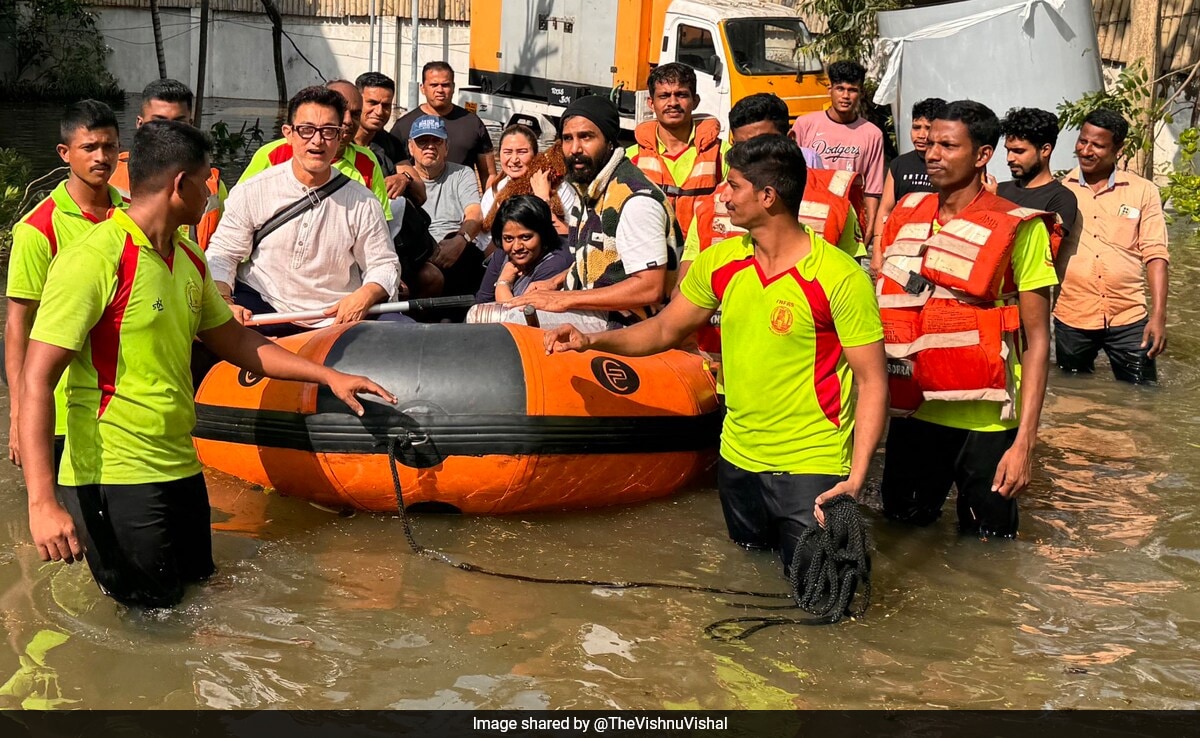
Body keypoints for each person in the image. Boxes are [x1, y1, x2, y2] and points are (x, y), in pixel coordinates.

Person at [18, 120, 396, 607]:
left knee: (197, 595)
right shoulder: (93, 260)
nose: (212, 196)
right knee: (152, 620)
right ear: (181, 184)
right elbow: (36, 378)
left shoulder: (190, 258)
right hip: (113, 472)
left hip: (178, 461)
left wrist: (328, 375)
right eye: (206, 182)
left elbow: (238, 342)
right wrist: (42, 503)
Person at [543, 134, 887, 572]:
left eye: (734, 186)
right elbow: (667, 328)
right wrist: (591, 341)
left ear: (768, 196)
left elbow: (874, 382)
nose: (721, 196)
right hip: (737, 460)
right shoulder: (722, 261)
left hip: (812, 466)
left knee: (821, 601)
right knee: (747, 579)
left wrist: (855, 480)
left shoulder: (838, 277)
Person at [876, 100, 1058, 539]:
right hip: (914, 415)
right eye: (931, 143)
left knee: (988, 549)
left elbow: (1036, 340)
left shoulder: (1020, 227)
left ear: (982, 156)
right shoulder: (906, 213)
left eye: (948, 145)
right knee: (898, 534)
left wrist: (1024, 444)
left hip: (987, 423)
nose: (933, 154)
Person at [206, 86, 400, 337]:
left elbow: (384, 265)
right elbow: (222, 255)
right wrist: (225, 301)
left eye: (328, 131)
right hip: (264, 307)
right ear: (288, 133)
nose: (317, 141)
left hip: (337, 316)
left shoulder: (363, 201)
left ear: (341, 135)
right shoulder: (253, 190)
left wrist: (364, 296)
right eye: (307, 130)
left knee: (403, 336)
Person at [6, 100, 123, 469]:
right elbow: (17, 325)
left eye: (109, 146)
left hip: (119, 403)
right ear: (65, 153)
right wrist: (18, 414)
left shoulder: (131, 217)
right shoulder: (37, 228)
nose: (101, 157)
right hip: (58, 406)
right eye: (89, 147)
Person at [507, 95, 679, 325]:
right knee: (484, 313)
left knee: (511, 318)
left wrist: (564, 299)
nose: (575, 148)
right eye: (567, 139)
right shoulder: (591, 187)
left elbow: (649, 287)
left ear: (609, 141)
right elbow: (598, 259)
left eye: (586, 137)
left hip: (630, 325)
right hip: (598, 310)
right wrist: (555, 283)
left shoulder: (635, 201)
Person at [682, 92, 864, 287]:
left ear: (790, 139)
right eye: (742, 147)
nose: (752, 156)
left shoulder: (832, 198)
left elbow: (851, 279)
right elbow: (684, 289)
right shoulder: (714, 201)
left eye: (764, 143)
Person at [1053, 108, 1169, 384]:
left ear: (1119, 148)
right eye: (1082, 141)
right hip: (1072, 314)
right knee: (1072, 393)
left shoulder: (1143, 191)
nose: (1086, 150)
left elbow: (1156, 255)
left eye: (1098, 145)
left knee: (1143, 396)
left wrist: (1158, 317)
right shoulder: (1060, 191)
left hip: (1129, 316)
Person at [237, 80, 390, 215]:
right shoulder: (272, 154)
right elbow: (239, 209)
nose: (348, 121)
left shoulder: (367, 162)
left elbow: (379, 222)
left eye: (356, 114)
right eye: (341, 113)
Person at [108, 79, 227, 250]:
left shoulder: (211, 185)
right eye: (158, 122)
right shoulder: (108, 176)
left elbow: (226, 250)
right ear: (139, 124)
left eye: (179, 123)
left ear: (191, 126)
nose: (170, 132)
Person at [626, 63, 725, 240]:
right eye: (664, 96)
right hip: (651, 259)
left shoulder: (723, 154)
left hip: (703, 258)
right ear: (651, 103)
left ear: (695, 101)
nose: (673, 103)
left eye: (681, 95)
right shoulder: (630, 158)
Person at [791, 60, 884, 245]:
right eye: (840, 89)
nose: (846, 96)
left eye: (852, 90)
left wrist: (870, 228)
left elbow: (873, 190)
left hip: (850, 221)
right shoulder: (805, 125)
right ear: (829, 89)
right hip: (809, 216)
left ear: (861, 93)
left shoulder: (873, 134)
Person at [408, 114, 486, 298]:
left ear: (446, 147)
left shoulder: (462, 174)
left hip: (457, 252)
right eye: (422, 141)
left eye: (436, 141)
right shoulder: (403, 178)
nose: (430, 146)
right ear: (411, 148)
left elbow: (475, 214)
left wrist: (460, 239)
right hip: (419, 255)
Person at [390, 61, 495, 187]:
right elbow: (391, 172)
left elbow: (488, 175)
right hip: (418, 202)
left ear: (453, 87)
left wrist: (490, 204)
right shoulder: (403, 126)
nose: (440, 90)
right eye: (434, 85)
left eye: (445, 85)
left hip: (462, 202)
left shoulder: (472, 123)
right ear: (423, 88)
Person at [871, 97, 945, 271]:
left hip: (936, 253)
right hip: (899, 252)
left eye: (928, 128)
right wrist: (876, 252)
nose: (921, 135)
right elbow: (885, 210)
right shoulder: (899, 165)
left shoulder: (949, 164)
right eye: (916, 127)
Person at [477, 123, 578, 251]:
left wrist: (543, 199)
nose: (514, 159)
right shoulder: (495, 190)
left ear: (536, 155)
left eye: (522, 152)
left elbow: (572, 238)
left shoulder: (559, 188)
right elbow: (483, 239)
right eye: (507, 152)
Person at [993, 107, 1077, 256]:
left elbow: (1039, 251)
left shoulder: (1061, 199)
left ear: (1045, 150)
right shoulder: (999, 190)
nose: (1009, 158)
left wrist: (994, 206)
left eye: (1019, 151)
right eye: (1008, 150)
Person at [475, 195, 574, 304]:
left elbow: (520, 314)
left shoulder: (556, 262)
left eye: (526, 237)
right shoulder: (504, 252)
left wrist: (503, 283)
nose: (517, 247)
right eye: (508, 238)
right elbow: (482, 302)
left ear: (543, 234)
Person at [353, 71, 426, 206]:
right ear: (357, 102)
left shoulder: (390, 143)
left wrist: (404, 178)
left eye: (386, 105)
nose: (379, 111)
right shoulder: (338, 141)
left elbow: (421, 194)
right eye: (372, 103)